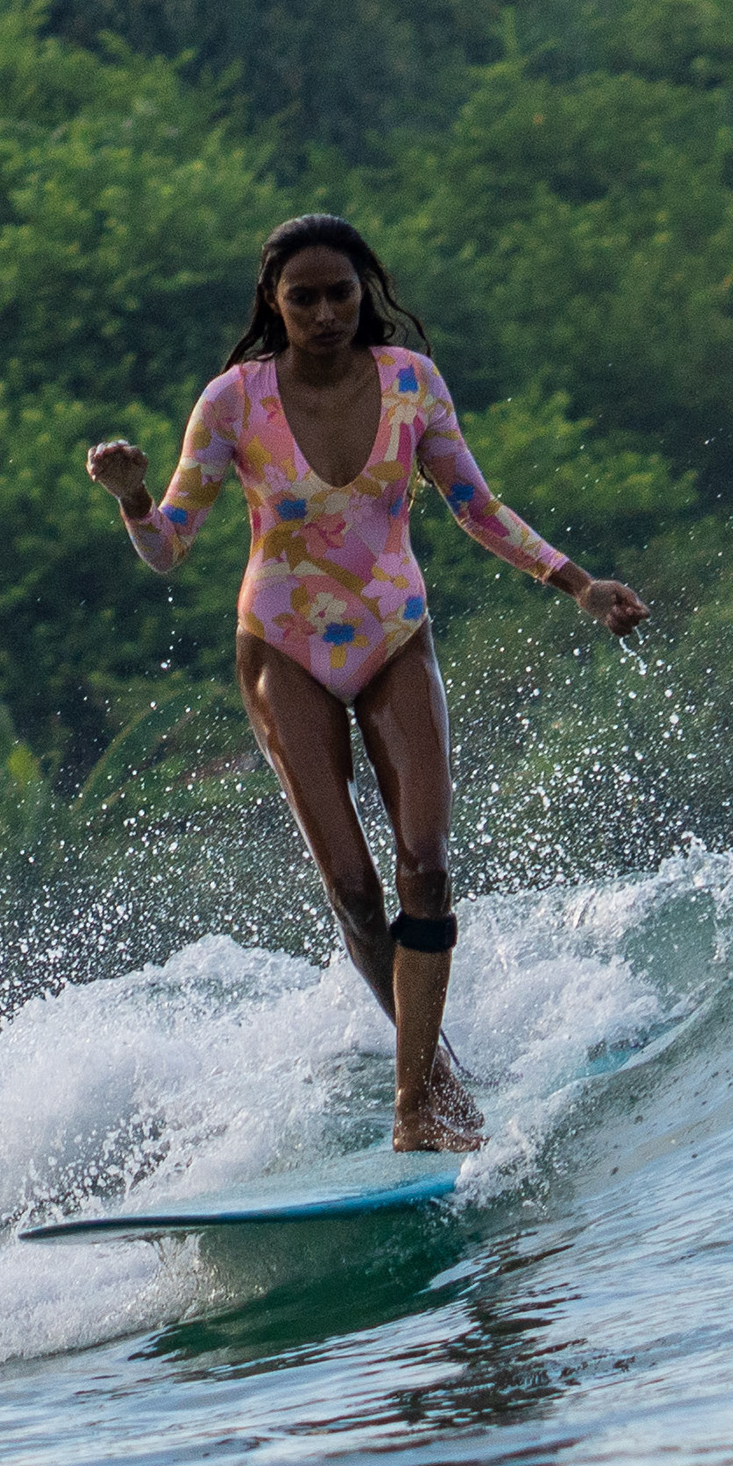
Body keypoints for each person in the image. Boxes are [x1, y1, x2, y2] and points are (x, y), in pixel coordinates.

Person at [86, 214, 648, 1153]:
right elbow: (169, 547)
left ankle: (415, 1101)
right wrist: (134, 499)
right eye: (302, 298)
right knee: (352, 888)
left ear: (365, 291)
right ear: (274, 303)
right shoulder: (232, 401)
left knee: (425, 866)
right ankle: (435, 1079)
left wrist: (578, 584)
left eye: (339, 293)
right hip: (282, 646)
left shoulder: (411, 383)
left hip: (394, 637)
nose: (324, 313)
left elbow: (477, 506)